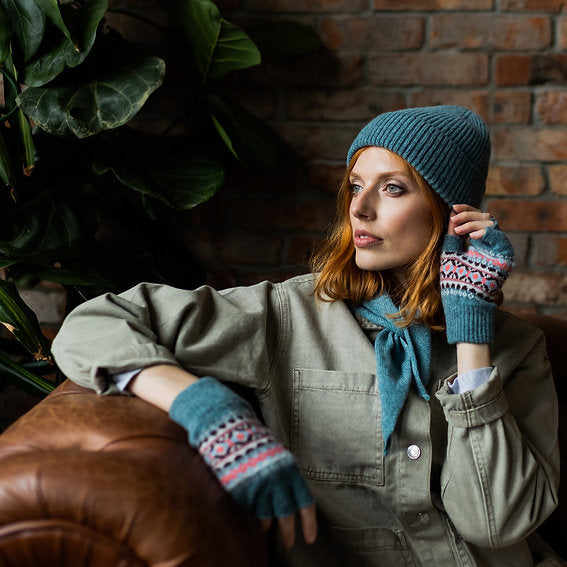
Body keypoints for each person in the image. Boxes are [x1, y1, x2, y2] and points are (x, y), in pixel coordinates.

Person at [52, 105, 561, 566]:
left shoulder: (515, 347)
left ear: (453, 217)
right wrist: (204, 408)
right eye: (355, 186)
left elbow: (499, 526)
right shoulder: (287, 313)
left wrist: (471, 334)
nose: (359, 210)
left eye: (392, 188)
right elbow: (94, 323)